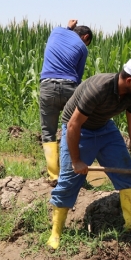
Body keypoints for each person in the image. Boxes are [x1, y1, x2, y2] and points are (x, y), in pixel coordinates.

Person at [46, 56, 131, 250]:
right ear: (130, 80)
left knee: (126, 170)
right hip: (78, 129)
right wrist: (76, 161)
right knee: (68, 179)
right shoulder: (98, 88)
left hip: (105, 128)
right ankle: (55, 233)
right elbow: (74, 125)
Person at [39, 19, 93, 181]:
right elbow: (78, 76)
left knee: (48, 132)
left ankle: (54, 176)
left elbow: (67, 28)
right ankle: (71, 174)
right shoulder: (82, 48)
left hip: (47, 87)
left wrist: (70, 26)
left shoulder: (56, 32)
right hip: (70, 88)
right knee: (72, 128)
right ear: (85, 37)